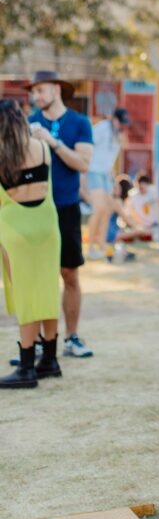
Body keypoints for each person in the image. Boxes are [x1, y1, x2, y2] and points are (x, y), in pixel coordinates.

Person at [26, 70, 94, 359]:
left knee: (70, 274)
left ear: (56, 89)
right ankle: (41, 341)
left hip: (66, 206)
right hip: (34, 208)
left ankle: (72, 337)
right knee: (38, 277)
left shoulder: (79, 123)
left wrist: (53, 143)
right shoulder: (29, 122)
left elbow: (82, 164)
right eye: (34, 92)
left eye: (41, 90)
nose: (36, 96)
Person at [0, 99, 62, 388]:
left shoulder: (2, 157)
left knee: (26, 293)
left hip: (17, 231)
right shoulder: (42, 149)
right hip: (48, 227)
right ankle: (49, 359)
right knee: (48, 290)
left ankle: (26, 367)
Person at [86, 106, 129, 259]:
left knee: (107, 210)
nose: (122, 125)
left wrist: (114, 180)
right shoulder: (102, 128)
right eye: (120, 122)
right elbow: (88, 145)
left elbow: (110, 160)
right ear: (114, 119)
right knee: (99, 209)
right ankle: (90, 248)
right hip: (93, 171)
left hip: (106, 175)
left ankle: (101, 246)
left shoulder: (118, 135)